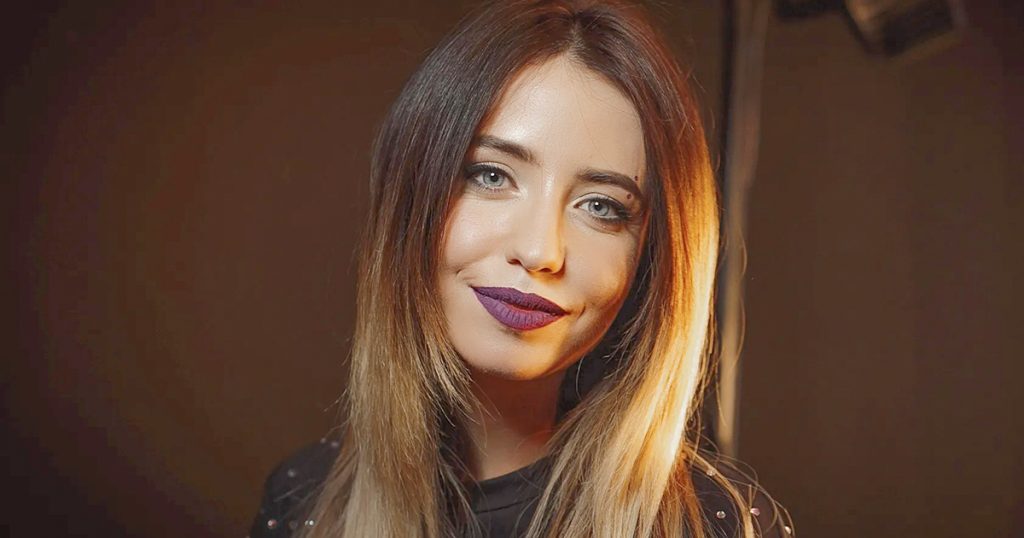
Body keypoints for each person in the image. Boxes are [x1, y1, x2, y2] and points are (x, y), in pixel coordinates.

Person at [249, 1, 794, 536]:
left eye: (601, 206)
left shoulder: (713, 525)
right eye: (491, 176)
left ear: (650, 259)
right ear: (411, 195)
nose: (540, 252)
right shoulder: (303, 500)